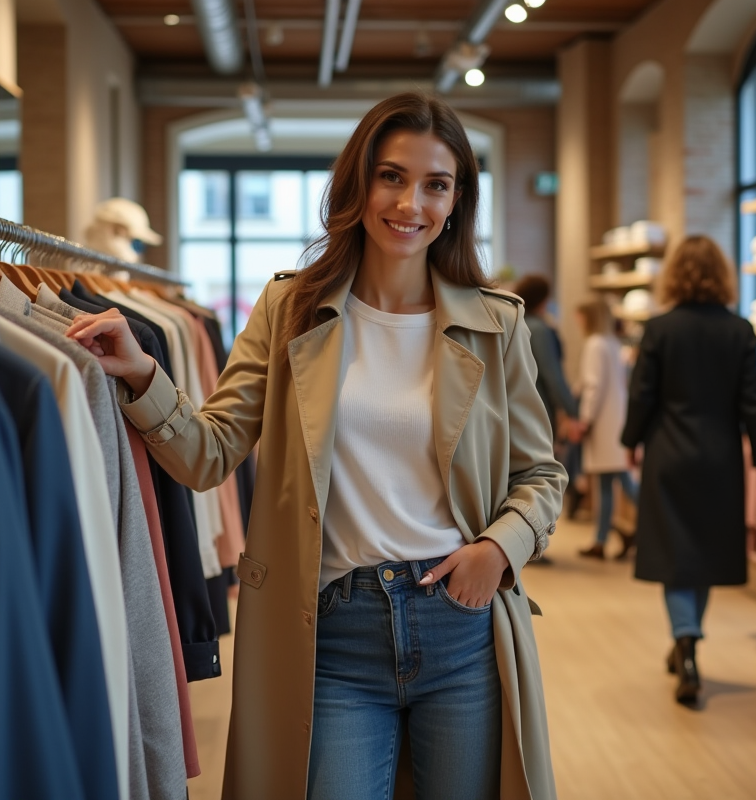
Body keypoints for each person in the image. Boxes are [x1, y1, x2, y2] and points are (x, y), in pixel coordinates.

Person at [66, 92, 565, 800]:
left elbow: (541, 474)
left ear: (457, 202)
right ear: (358, 182)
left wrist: (498, 549)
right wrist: (146, 375)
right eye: (391, 176)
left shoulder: (496, 324)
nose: (411, 203)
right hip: (331, 636)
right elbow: (208, 453)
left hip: (460, 626)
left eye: (436, 184)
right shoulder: (291, 309)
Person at [620, 235, 756, 705]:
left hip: (668, 453)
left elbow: (643, 394)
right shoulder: (740, 330)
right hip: (721, 458)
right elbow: (752, 400)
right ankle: (687, 640)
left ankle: (684, 643)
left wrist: (630, 441)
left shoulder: (660, 328)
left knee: (674, 554)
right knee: (703, 553)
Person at [512, 273, 584, 531]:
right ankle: (533, 537)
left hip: (516, 411)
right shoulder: (540, 329)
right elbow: (553, 376)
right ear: (544, 299)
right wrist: (573, 412)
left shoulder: (516, 321)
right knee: (539, 478)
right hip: (538, 412)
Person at [572, 300, 638, 560]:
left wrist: (585, 419)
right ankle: (600, 540)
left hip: (603, 424)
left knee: (618, 482)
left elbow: (593, 386)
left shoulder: (595, 344)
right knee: (609, 482)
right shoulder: (612, 343)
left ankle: (655, 525)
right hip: (615, 420)